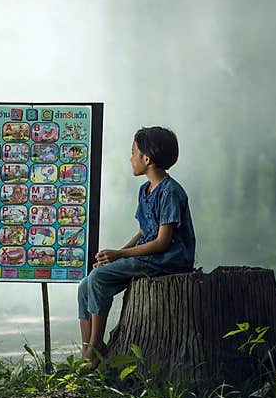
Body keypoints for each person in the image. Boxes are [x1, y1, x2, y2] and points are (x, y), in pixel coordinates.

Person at [77, 126, 195, 369]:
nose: (130, 158)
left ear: (147, 159)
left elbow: (162, 242)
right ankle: (87, 348)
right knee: (85, 283)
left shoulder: (170, 191)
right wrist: (114, 255)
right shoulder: (145, 190)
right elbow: (144, 230)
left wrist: (119, 254)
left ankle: (96, 346)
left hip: (168, 259)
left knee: (98, 278)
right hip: (148, 256)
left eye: (133, 152)